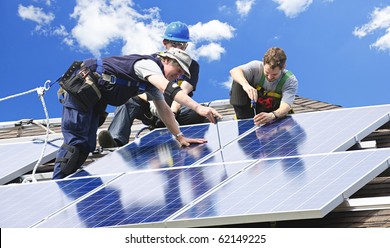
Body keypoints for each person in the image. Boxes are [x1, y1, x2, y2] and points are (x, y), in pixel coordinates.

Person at [53, 47, 222, 179]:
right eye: (177, 71)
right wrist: (199, 108)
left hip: (93, 99)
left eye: (180, 76)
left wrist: (179, 136)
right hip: (81, 88)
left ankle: (67, 187)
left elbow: (164, 109)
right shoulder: (147, 65)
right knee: (76, 144)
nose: (176, 77)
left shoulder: (151, 84)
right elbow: (167, 88)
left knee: (87, 146)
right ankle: (57, 186)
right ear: (166, 60)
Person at [98, 21, 205, 148]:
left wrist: (172, 112)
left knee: (197, 111)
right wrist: (152, 101)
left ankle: (191, 136)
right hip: (152, 109)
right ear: (165, 43)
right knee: (128, 101)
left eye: (181, 45)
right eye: (174, 44)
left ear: (186, 46)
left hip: (176, 110)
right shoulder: (153, 61)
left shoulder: (191, 66)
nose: (178, 48)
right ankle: (115, 141)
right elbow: (140, 87)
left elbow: (183, 91)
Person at [229, 47, 298, 126]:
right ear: (263, 63)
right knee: (238, 81)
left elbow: (285, 106)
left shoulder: (290, 80)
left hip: (271, 114)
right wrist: (246, 85)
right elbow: (234, 71)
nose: (269, 77)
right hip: (250, 111)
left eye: (274, 74)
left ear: (283, 67)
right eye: (267, 72)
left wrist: (272, 115)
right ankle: (244, 122)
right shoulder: (256, 67)